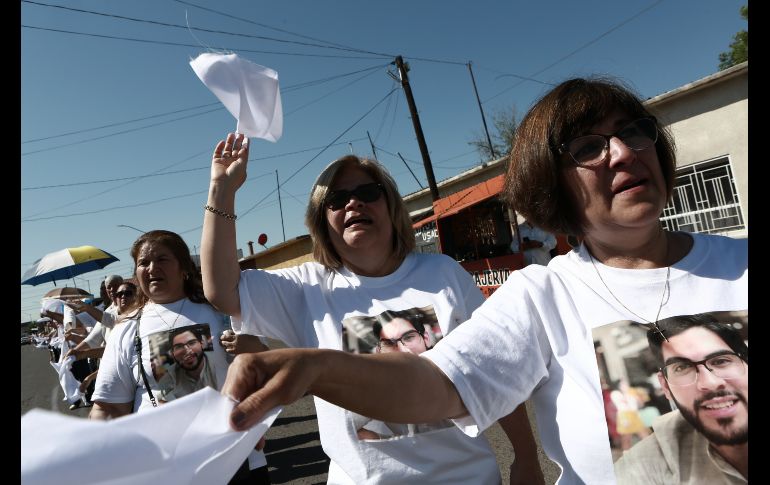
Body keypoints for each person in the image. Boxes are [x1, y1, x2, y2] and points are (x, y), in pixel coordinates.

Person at [219, 77, 748, 484]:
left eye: (634, 132)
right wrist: (314, 366)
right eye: (588, 147)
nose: (624, 151)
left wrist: (522, 456)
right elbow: (442, 383)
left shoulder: (442, 273)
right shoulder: (543, 294)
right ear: (550, 184)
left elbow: (495, 394)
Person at [201, 133, 544, 484]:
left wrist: (526, 456)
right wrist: (222, 188)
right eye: (337, 199)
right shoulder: (306, 288)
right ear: (323, 220)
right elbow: (222, 290)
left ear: (390, 206)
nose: (354, 204)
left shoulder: (443, 274)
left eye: (368, 193)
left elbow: (494, 371)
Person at [89, 230, 269, 485]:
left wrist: (254, 349)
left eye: (162, 259)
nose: (152, 268)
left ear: (184, 267)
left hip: (234, 456)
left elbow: (270, 370)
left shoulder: (222, 312)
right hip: (164, 466)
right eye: (143, 262)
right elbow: (109, 406)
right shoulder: (127, 330)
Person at [614, 313, 748, 483]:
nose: (710, 383)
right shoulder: (653, 460)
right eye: (682, 367)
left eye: (721, 361)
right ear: (665, 386)